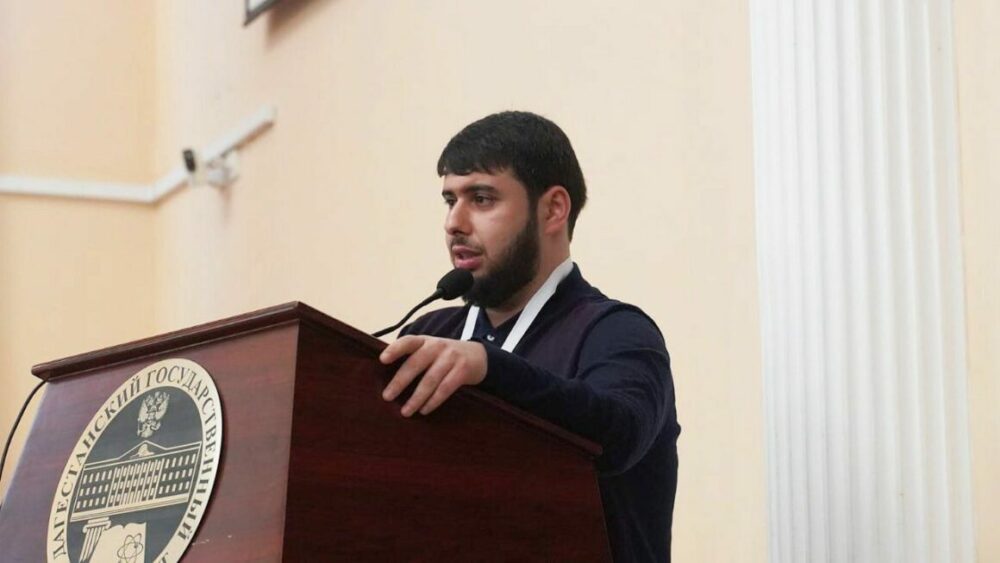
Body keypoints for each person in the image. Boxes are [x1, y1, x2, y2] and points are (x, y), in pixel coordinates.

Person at [379, 111, 680, 562]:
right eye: (449, 200)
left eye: (481, 199)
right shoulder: (429, 335)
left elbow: (619, 435)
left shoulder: (615, 331)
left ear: (553, 209)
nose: (454, 222)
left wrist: (489, 367)